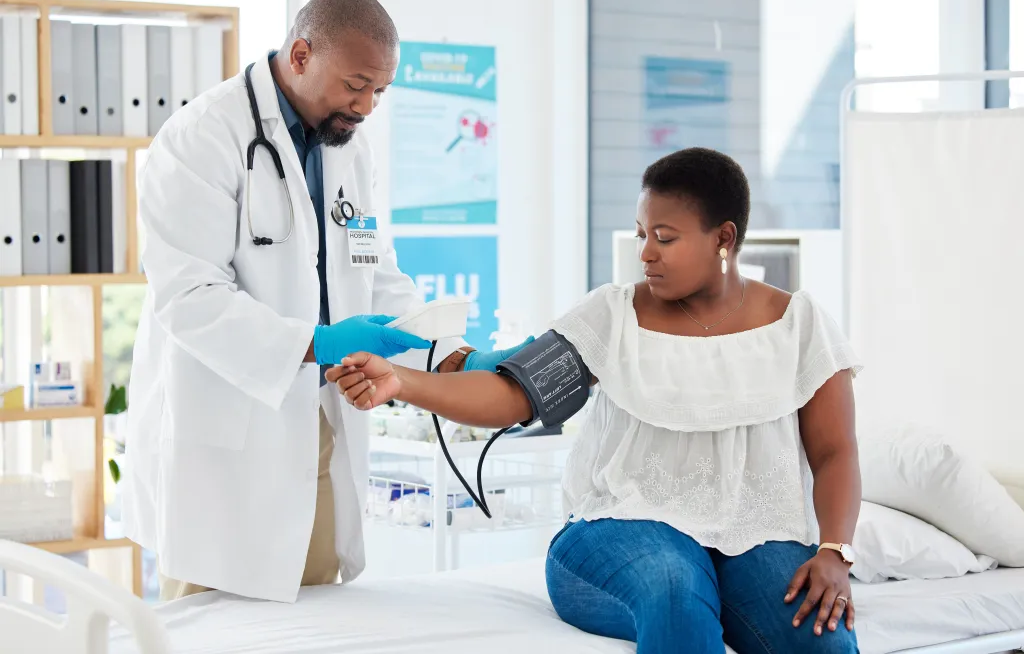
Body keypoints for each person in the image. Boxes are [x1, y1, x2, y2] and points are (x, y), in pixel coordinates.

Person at [329, 148, 863, 653]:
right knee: (677, 591)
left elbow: (835, 452)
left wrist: (835, 550)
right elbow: (512, 393)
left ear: (723, 238)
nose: (645, 253)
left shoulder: (799, 324)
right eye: (641, 234)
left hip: (756, 537)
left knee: (822, 634)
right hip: (619, 528)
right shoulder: (613, 315)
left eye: (665, 237)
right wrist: (402, 381)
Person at [122, 0, 527, 603]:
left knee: (311, 619)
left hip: (316, 429)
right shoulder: (202, 138)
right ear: (303, 53)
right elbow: (189, 296)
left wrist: (450, 354)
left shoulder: (346, 144)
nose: (366, 106)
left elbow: (374, 268)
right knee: (210, 625)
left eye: (380, 92)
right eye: (356, 85)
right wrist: (317, 342)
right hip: (223, 435)